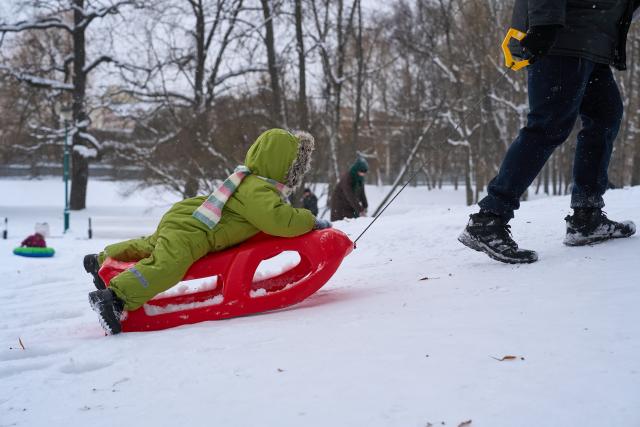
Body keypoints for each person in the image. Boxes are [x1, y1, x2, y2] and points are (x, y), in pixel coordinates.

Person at [84, 129, 332, 334]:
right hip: (195, 229)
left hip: (189, 215)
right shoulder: (258, 190)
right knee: (171, 263)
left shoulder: (247, 179)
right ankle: (114, 298)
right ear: (284, 166)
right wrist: (309, 220)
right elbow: (278, 220)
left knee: (152, 245)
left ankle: (103, 259)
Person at [458, 0, 638, 264]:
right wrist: (544, 23)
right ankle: (489, 218)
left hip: (593, 45)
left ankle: (586, 216)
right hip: (561, 39)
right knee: (548, 126)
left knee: (604, 119)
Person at [330, 157, 369, 221]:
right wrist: (360, 209)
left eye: (364, 172)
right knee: (344, 226)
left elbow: (362, 193)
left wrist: (365, 205)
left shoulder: (360, 178)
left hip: (351, 206)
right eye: (361, 171)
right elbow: (350, 195)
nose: (363, 174)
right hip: (340, 207)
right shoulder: (348, 178)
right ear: (357, 169)